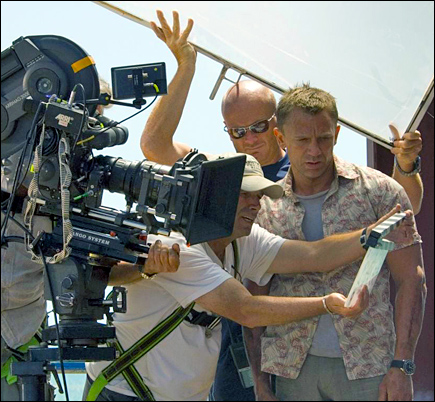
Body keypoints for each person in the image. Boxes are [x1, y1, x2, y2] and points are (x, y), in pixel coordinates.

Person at [139, 10, 426, 401]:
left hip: (359, 362)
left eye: (257, 127)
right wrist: (186, 65)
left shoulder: (348, 174)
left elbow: (400, 217)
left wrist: (406, 165)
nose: (249, 138)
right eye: (237, 132)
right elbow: (155, 148)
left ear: (275, 125)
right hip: (262, 351)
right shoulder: (231, 180)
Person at [83, 151, 417, 401]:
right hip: (123, 393)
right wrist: (327, 305)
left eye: (259, 196)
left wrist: (368, 236)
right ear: (214, 194)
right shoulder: (179, 244)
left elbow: (314, 255)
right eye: (245, 194)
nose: (256, 204)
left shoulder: (243, 240)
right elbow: (246, 309)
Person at [0, 79, 179, 401]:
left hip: (17, 357)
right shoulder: (15, 163)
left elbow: (94, 271)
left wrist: (147, 266)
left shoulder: (66, 198)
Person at [249, 84, 426, 401]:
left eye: (324, 138)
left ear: (338, 133)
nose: (315, 150)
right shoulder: (265, 208)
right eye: (303, 140)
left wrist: (402, 365)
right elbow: (254, 299)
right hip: (291, 372)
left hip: (368, 369)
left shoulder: (380, 193)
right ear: (280, 139)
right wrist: (260, 384)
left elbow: (412, 279)